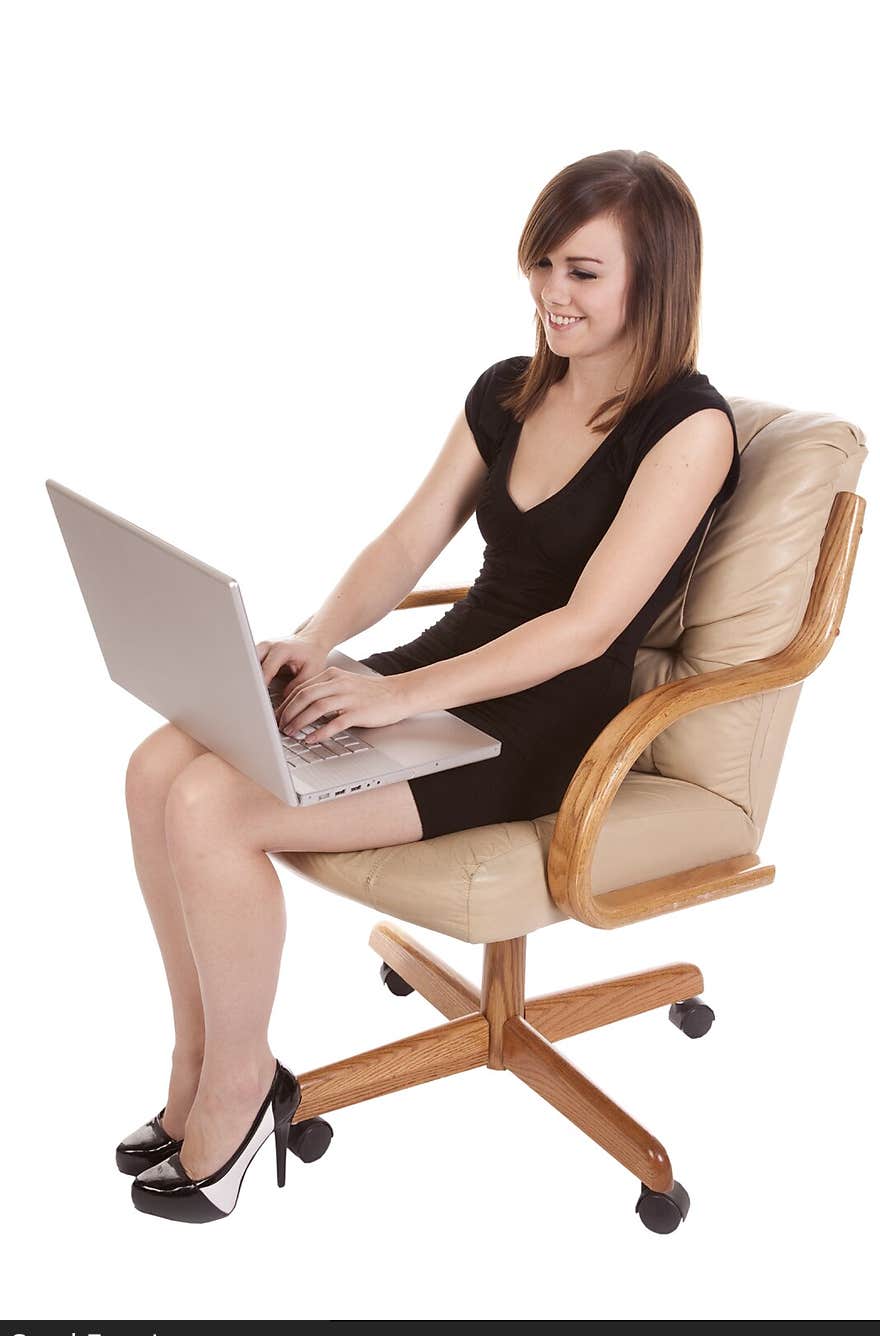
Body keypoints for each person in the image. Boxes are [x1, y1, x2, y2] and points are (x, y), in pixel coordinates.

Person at [119, 148, 740, 1222]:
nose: (552, 290)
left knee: (210, 807)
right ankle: (196, 1063)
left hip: (547, 722)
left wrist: (396, 699)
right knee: (154, 765)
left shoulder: (686, 427)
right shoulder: (507, 391)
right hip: (439, 671)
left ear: (657, 277)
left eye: (584, 271)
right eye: (543, 263)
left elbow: (586, 626)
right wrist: (321, 643)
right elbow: (411, 538)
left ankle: (239, 1087)